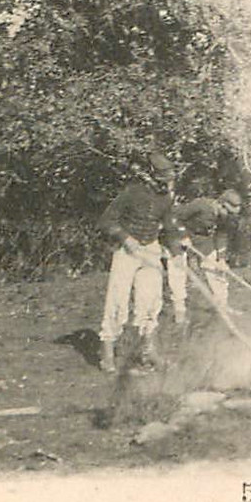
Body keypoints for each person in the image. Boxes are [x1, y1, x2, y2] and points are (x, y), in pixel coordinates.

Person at [98, 151, 178, 373]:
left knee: (151, 300)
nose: (167, 183)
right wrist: (126, 238)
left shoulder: (166, 199)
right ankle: (107, 352)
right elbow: (106, 220)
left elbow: (169, 226)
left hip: (151, 250)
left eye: (169, 178)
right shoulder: (131, 193)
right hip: (127, 251)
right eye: (163, 178)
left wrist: (177, 251)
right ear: (151, 176)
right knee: (117, 300)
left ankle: (148, 351)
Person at [171, 188, 244, 327]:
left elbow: (222, 235)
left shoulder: (225, 217)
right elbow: (174, 218)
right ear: (220, 204)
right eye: (228, 212)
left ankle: (223, 305)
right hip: (178, 238)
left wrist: (221, 259)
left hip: (202, 240)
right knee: (178, 273)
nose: (229, 216)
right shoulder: (201, 205)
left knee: (218, 271)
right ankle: (179, 310)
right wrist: (183, 236)